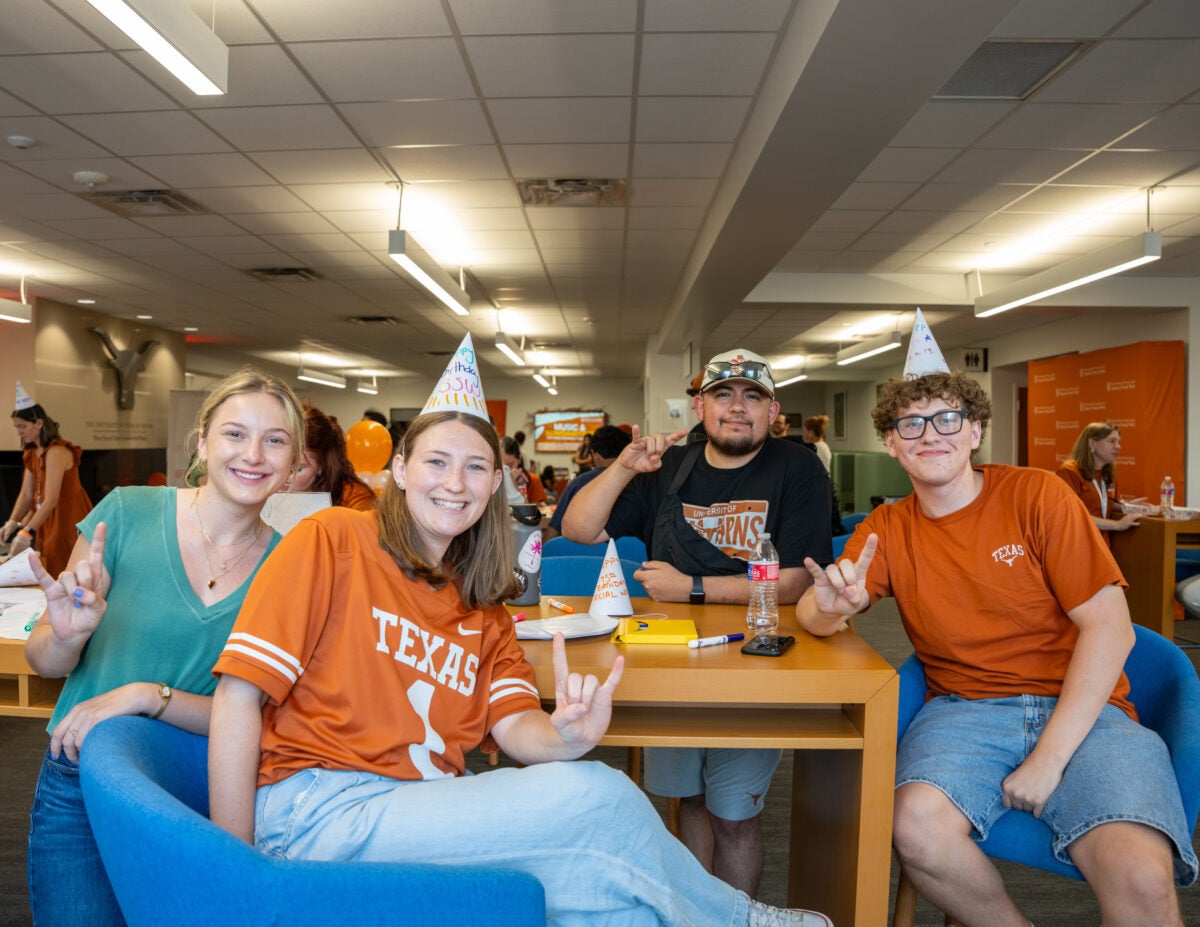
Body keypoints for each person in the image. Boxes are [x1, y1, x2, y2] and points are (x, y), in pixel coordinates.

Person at [207, 353, 831, 927]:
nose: (456, 483)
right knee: (602, 793)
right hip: (319, 809)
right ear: (399, 468)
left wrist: (566, 736)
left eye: (476, 467)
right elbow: (240, 699)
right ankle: (743, 921)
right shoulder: (334, 538)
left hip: (425, 810)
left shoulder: (484, 606)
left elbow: (514, 728)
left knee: (615, 907)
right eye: (436, 461)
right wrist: (234, 878)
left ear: (495, 486)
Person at [797, 320, 1195, 927]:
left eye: (948, 418)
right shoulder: (886, 530)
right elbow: (814, 616)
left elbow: (1111, 630)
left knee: (1143, 878)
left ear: (975, 430)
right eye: (911, 424)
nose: (931, 435)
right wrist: (829, 603)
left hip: (1088, 710)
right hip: (964, 710)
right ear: (892, 444)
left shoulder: (1038, 496)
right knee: (916, 828)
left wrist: (1049, 759)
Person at [24, 367, 305, 927]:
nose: (253, 454)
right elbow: (44, 662)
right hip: (80, 778)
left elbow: (265, 716)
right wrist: (66, 635)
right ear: (202, 442)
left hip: (196, 789)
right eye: (234, 433)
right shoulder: (127, 514)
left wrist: (147, 695)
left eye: (275, 440)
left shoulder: (292, 567)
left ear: (295, 463)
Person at [562, 348, 832, 897]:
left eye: (752, 396)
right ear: (699, 406)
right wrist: (622, 467)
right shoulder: (671, 467)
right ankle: (694, 911)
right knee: (688, 800)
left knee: (734, 815)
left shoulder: (798, 467)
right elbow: (578, 530)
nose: (737, 408)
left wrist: (694, 588)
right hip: (671, 662)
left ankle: (733, 914)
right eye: (723, 395)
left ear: (772, 410)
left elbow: (796, 582)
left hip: (756, 662)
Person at [2, 383, 94, 577]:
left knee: (64, 564)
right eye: (16, 427)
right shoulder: (32, 454)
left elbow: (51, 498)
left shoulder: (56, 451)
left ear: (39, 423)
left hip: (66, 516)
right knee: (48, 563)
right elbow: (27, 494)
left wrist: (27, 531)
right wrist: (12, 521)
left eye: (22, 426)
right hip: (46, 516)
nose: (19, 431)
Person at [544, 425, 631, 540]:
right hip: (633, 555)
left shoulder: (578, 483)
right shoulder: (638, 481)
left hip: (579, 554)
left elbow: (554, 529)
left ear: (595, 455)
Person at [1056, 421, 1142, 536]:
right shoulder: (1069, 472)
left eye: (1118, 442)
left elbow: (1103, 503)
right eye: (1112, 441)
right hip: (1078, 544)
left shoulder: (1108, 472)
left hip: (1102, 544)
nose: (1118, 447)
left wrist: (1127, 506)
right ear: (1092, 443)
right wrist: (1117, 525)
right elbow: (1071, 514)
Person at [289, 404, 377, 511]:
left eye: (297, 469)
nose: (283, 478)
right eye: (278, 466)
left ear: (322, 465)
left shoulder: (355, 499)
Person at [502, 435, 546, 504]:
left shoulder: (533, 480)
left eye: (510, 465)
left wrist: (512, 483)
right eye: (503, 467)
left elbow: (531, 512)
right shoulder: (495, 481)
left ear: (519, 459)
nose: (507, 470)